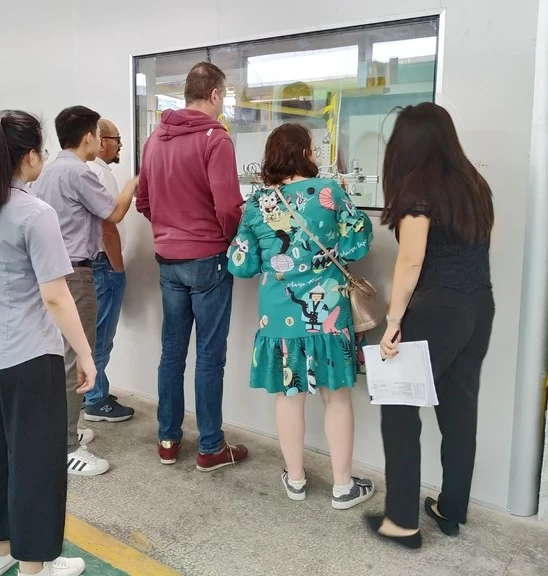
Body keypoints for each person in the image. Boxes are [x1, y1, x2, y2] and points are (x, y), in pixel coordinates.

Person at [0, 110, 91, 576]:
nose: (44, 158)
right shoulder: (36, 213)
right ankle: (35, 567)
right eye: (41, 150)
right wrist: (87, 355)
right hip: (31, 358)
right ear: (29, 157)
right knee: (36, 463)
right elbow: (54, 293)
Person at [366, 102, 495, 549]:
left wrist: (393, 320)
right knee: (460, 412)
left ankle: (401, 522)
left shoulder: (417, 189)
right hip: (479, 306)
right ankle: (451, 509)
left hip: (437, 309)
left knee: (399, 410)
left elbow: (412, 258)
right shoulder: (474, 185)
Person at [228, 123, 376, 509]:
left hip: (279, 319)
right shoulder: (329, 192)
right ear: (305, 154)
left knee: (289, 398)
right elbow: (357, 244)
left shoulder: (257, 204)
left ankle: (295, 480)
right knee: (337, 399)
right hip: (328, 315)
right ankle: (343, 487)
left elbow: (241, 265)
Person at [136, 62, 248, 471]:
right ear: (216, 94)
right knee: (208, 357)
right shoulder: (215, 139)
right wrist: (225, 238)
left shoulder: (153, 141)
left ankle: (167, 440)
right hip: (209, 260)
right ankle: (210, 447)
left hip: (168, 261)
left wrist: (169, 230)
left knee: (171, 353)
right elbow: (228, 207)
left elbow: (143, 202)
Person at [33, 106, 138, 477]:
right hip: (75, 274)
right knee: (76, 358)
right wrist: (133, 183)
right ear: (89, 136)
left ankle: (65, 430)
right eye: (99, 133)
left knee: (62, 356)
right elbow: (113, 214)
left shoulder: (49, 171)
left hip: (52, 272)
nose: (102, 139)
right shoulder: (78, 172)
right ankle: (66, 448)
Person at [82, 118, 134, 422]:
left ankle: (97, 387)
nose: (119, 145)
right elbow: (107, 226)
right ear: (101, 141)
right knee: (101, 336)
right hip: (103, 264)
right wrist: (117, 266)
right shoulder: (98, 174)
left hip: (96, 264)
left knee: (97, 334)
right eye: (116, 139)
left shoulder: (92, 172)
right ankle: (96, 399)